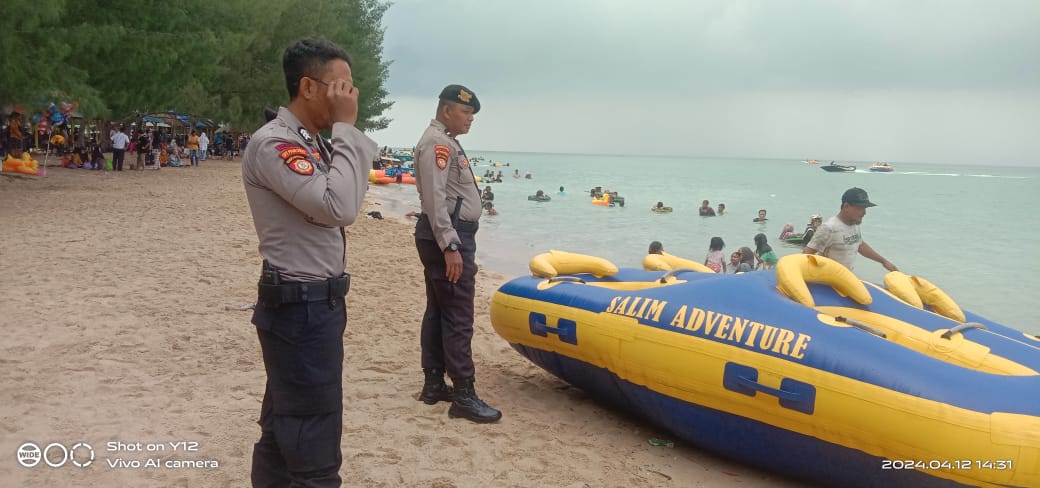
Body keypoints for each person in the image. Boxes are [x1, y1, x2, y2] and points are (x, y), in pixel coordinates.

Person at [242, 37, 377, 487]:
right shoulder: (275, 144)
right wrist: (347, 128)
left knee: (283, 435)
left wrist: (343, 134)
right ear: (308, 87)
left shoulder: (311, 142)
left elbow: (349, 194)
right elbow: (341, 207)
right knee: (314, 451)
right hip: (300, 310)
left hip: (311, 306)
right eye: (341, 86)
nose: (350, 96)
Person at [413, 84, 501, 424]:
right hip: (450, 235)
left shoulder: (443, 140)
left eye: (472, 114)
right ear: (447, 110)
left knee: (439, 310)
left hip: (444, 233)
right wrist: (450, 245)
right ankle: (464, 393)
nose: (470, 119)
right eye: (465, 112)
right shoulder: (438, 143)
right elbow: (436, 198)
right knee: (458, 314)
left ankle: (434, 384)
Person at [804, 187, 898, 272]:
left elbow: (860, 245)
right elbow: (805, 255)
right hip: (828, 281)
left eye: (865, 208)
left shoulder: (854, 224)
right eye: (860, 208)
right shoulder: (829, 228)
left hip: (846, 278)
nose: (864, 213)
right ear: (846, 207)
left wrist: (883, 261)